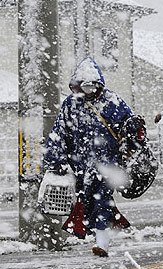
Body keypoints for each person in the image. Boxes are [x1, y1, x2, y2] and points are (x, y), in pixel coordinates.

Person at [43, 57, 139, 257]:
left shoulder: (113, 101)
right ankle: (105, 226)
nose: (89, 90)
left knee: (101, 197)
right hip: (80, 163)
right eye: (85, 85)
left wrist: (134, 131)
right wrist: (55, 160)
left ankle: (102, 241)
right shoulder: (71, 104)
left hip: (108, 163)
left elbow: (130, 126)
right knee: (88, 199)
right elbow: (59, 133)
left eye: (93, 85)